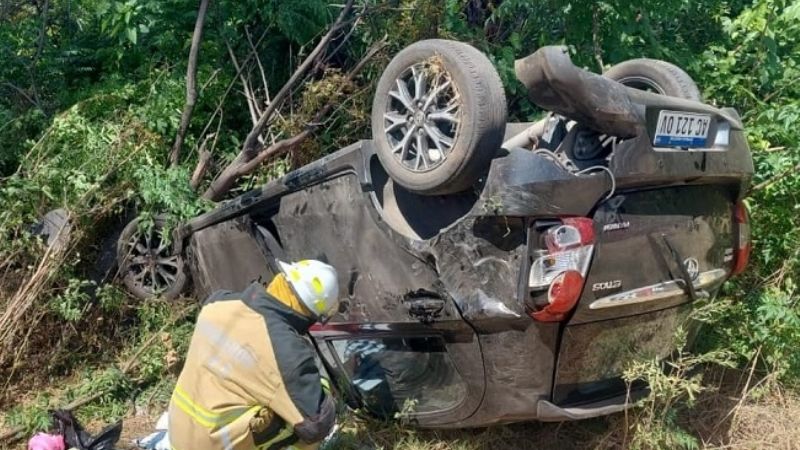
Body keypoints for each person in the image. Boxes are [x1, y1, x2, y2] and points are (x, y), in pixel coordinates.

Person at [168, 259, 340, 450]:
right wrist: (323, 389)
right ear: (310, 313)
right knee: (302, 421)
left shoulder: (218, 302)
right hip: (213, 445)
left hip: (178, 430)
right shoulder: (286, 350)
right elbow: (317, 426)